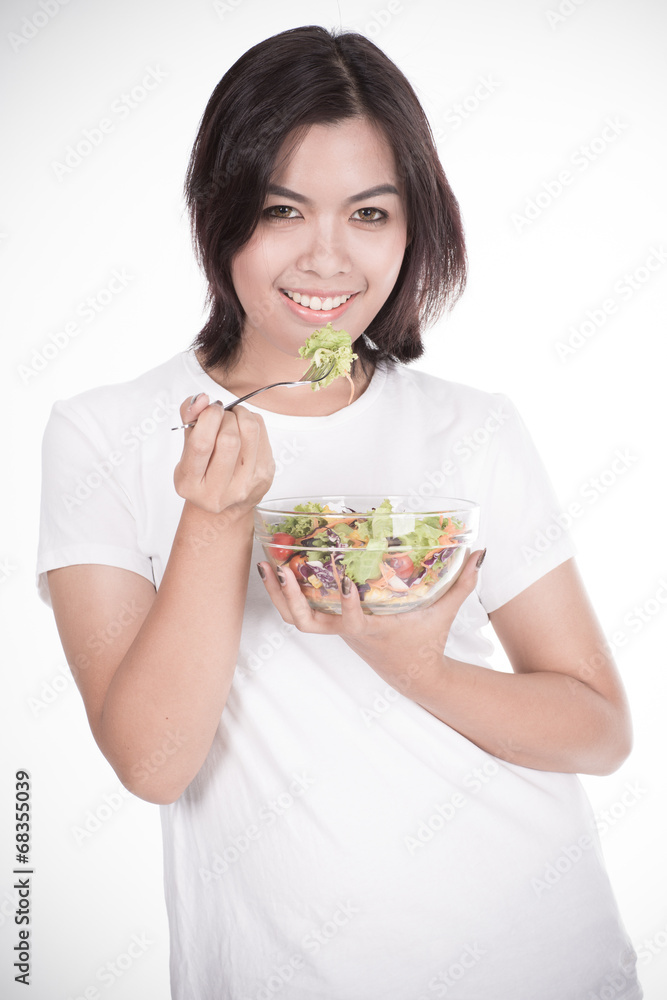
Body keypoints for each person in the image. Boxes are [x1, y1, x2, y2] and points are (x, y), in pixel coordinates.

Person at [37, 25, 642, 1000]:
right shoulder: (105, 433)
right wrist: (216, 519)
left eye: (368, 213)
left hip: (548, 959)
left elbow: (599, 729)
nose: (328, 259)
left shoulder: (470, 427)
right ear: (218, 211)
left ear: (414, 229)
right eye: (283, 208)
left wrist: (414, 664)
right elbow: (153, 759)